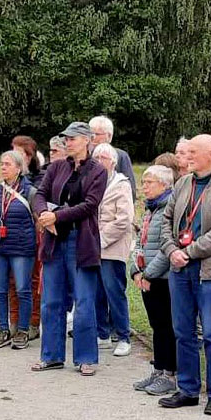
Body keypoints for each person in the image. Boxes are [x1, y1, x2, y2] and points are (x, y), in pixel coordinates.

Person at [157, 134, 211, 414]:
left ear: (210, 156)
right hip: (179, 269)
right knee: (183, 331)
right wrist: (171, 251)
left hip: (209, 272)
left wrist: (189, 252)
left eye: (193, 152)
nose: (186, 156)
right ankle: (188, 389)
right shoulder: (182, 184)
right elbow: (166, 221)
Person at [32, 122, 106, 376]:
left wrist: (57, 216)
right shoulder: (56, 167)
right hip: (54, 240)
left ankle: (86, 357)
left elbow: (90, 205)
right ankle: (51, 355)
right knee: (51, 300)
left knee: (84, 302)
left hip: (80, 240)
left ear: (86, 140)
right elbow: (39, 193)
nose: (68, 142)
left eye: (72, 138)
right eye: (66, 138)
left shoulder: (97, 171)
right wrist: (43, 212)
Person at [131, 165, 178, 396]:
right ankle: (158, 369)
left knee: (166, 326)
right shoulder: (150, 209)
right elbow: (140, 241)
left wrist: (148, 273)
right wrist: (135, 271)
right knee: (156, 326)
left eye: (149, 182)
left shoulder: (169, 208)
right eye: (144, 181)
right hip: (147, 277)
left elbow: (166, 246)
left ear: (164, 184)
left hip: (163, 278)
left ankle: (169, 373)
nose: (144, 186)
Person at [0, 150, 38, 349]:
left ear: (19, 168)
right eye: (1, 164)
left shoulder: (30, 191)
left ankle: (23, 330)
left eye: (7, 164)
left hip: (22, 248)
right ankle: (3, 329)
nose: (3, 167)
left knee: (23, 289)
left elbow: (38, 218)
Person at [93, 143, 135, 357]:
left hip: (112, 247)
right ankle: (102, 334)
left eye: (104, 158)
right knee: (97, 293)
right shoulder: (91, 182)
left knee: (114, 292)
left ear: (113, 162)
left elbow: (124, 220)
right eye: (97, 157)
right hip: (93, 247)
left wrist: (100, 240)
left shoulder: (121, 185)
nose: (100, 161)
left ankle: (123, 336)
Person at [7, 135, 44, 339]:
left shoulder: (40, 179)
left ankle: (33, 322)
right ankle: (14, 320)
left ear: (29, 156)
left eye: (19, 152)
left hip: (34, 236)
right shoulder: (9, 180)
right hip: (12, 237)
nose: (14, 155)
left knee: (33, 280)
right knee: (12, 280)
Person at [89, 116, 136, 197]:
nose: (92, 137)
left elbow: (130, 188)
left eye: (96, 134)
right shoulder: (85, 155)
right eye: (90, 134)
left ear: (109, 136)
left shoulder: (120, 156)